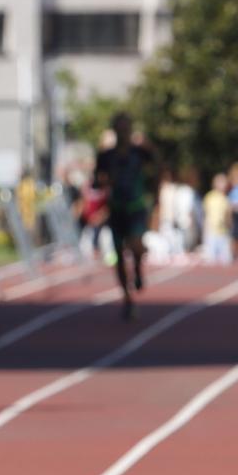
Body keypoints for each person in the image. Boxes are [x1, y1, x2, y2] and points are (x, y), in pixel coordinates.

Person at [93, 113, 157, 320]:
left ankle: (138, 269)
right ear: (114, 130)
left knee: (136, 245)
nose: (123, 131)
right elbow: (97, 179)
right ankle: (128, 299)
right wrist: (103, 184)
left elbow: (158, 166)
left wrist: (155, 196)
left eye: (126, 127)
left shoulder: (139, 152)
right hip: (117, 208)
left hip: (136, 207)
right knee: (119, 254)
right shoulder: (106, 155)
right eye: (119, 128)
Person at [202, 173, 235, 265]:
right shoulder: (209, 197)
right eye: (220, 182)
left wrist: (229, 229)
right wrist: (205, 231)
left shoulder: (227, 199)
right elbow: (206, 214)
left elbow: (229, 217)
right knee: (211, 259)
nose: (222, 185)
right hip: (212, 231)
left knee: (226, 260)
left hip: (223, 232)